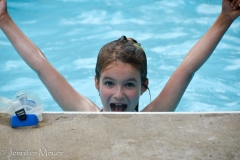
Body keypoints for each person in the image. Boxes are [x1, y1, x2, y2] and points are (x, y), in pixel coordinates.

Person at [0, 0, 239, 112]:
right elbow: (42, 66)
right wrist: (4, 19)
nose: (118, 94)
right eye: (109, 83)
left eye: (129, 85)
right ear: (96, 83)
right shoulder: (85, 113)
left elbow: (187, 68)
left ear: (144, 87)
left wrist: (225, 18)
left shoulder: (156, 116)